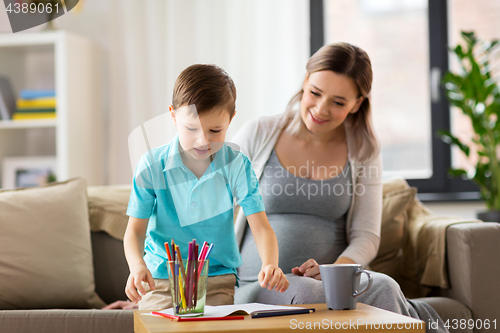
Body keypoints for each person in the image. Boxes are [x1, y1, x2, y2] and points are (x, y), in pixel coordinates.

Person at [231, 43, 447, 333]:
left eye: (338, 102)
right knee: (312, 294)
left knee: (385, 286)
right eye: (316, 93)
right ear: (305, 81)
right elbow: (213, 202)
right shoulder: (258, 133)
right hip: (261, 282)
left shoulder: (363, 150)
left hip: (336, 279)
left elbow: (366, 236)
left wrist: (333, 271)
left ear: (357, 104)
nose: (321, 110)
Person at [124, 64, 289, 310]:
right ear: (173, 116)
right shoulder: (151, 165)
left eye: (215, 130)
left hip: (216, 280)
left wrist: (270, 264)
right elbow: (135, 232)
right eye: (191, 129)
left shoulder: (237, 166)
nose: (203, 141)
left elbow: (261, 227)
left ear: (231, 119)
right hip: (159, 279)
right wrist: (138, 266)